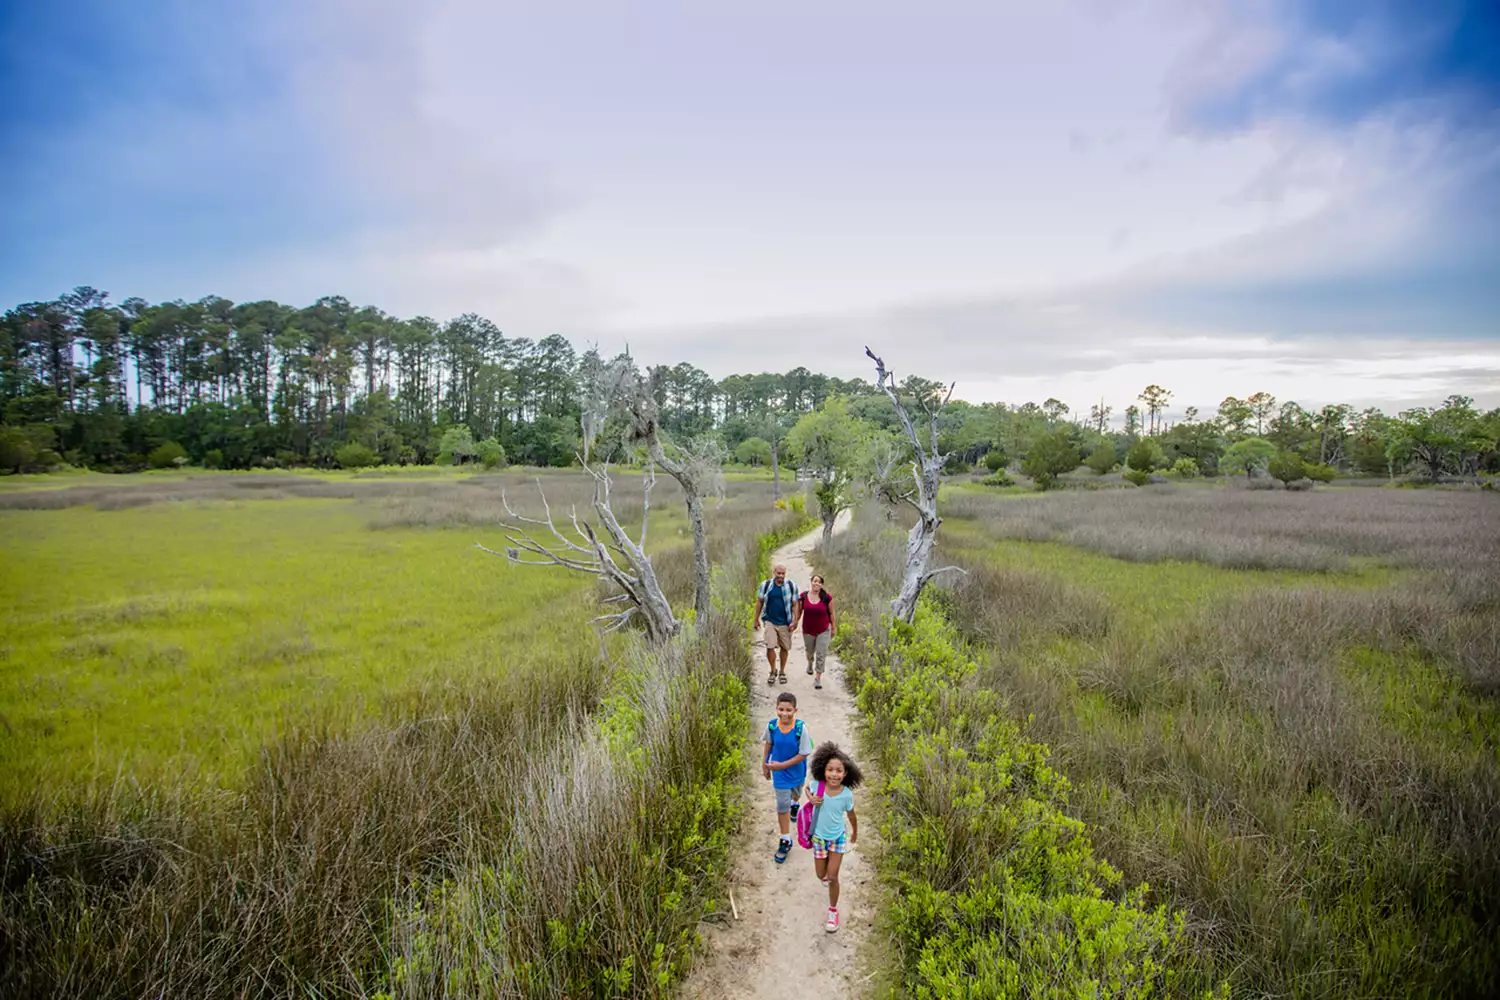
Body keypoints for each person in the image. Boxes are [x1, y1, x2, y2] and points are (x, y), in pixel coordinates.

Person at [805, 741, 862, 933]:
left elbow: (852, 815)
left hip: (837, 837)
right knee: (820, 875)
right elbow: (807, 787)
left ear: (845, 774)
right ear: (823, 770)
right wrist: (810, 798)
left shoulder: (846, 794)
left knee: (832, 877)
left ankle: (832, 911)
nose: (834, 774)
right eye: (830, 770)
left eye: (839, 770)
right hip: (819, 839)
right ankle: (827, 870)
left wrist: (855, 831)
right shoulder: (817, 786)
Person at [762, 691, 813, 864]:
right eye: (781, 709)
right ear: (776, 708)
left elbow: (804, 753)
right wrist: (765, 764)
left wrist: (782, 765)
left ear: (795, 710)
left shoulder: (801, 729)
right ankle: (785, 839)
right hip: (779, 774)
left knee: (796, 794)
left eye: (788, 710)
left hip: (796, 771)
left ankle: (796, 803)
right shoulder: (772, 727)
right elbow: (769, 743)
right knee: (781, 805)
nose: (784, 713)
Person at [753, 563, 799, 685]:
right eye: (778, 573)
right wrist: (756, 619)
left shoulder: (791, 586)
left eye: (783, 573)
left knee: (784, 647)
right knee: (770, 646)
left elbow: (795, 604)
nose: (781, 576)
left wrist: (795, 620)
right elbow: (760, 601)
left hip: (785, 621)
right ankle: (773, 671)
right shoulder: (766, 585)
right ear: (774, 573)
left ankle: (782, 671)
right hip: (770, 620)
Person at [795, 573, 836, 689]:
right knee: (809, 651)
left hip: (823, 629)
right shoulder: (803, 596)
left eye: (819, 582)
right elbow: (799, 612)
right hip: (808, 629)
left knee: (821, 653)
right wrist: (794, 623)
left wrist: (833, 627)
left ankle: (818, 677)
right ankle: (809, 663)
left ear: (821, 584)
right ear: (811, 582)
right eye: (815, 581)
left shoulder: (826, 597)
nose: (817, 583)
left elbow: (832, 614)